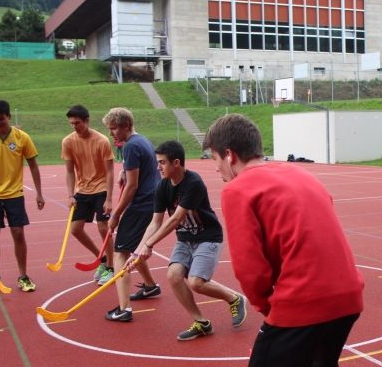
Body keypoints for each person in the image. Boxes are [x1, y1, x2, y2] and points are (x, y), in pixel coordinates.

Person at [202, 114, 363, 367]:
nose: (215, 169)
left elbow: (249, 269)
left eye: (213, 159)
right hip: (348, 295)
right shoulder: (301, 173)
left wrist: (266, 310)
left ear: (229, 155)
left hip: (301, 300)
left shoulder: (238, 189)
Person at [126, 140, 247, 340]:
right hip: (185, 239)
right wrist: (137, 252)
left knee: (196, 282)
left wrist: (149, 245)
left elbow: (175, 219)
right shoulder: (162, 187)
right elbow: (155, 223)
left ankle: (234, 299)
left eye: (162, 162)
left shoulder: (193, 183)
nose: (158, 167)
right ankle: (201, 323)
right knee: (173, 275)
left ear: (175, 163)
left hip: (207, 237)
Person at [0, 99, 44, 293]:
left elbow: (33, 165)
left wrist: (39, 193)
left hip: (14, 194)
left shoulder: (22, 137)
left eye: (1, 119)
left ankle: (23, 275)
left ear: (9, 117)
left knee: (18, 233)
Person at [102, 107, 161, 321]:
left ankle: (124, 308)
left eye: (113, 128)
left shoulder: (132, 146)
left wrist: (115, 215)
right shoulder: (141, 141)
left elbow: (132, 186)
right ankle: (150, 286)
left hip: (140, 205)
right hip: (150, 202)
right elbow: (137, 171)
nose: (111, 134)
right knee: (133, 248)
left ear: (126, 125)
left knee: (120, 254)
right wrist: (123, 173)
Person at [61, 105, 116, 285]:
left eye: (77, 123)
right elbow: (69, 171)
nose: (75, 126)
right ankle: (101, 259)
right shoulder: (68, 142)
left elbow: (109, 172)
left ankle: (110, 267)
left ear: (87, 121)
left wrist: (109, 198)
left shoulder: (101, 141)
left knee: (103, 228)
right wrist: (70, 194)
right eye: (72, 123)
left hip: (100, 188)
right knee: (76, 229)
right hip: (82, 190)